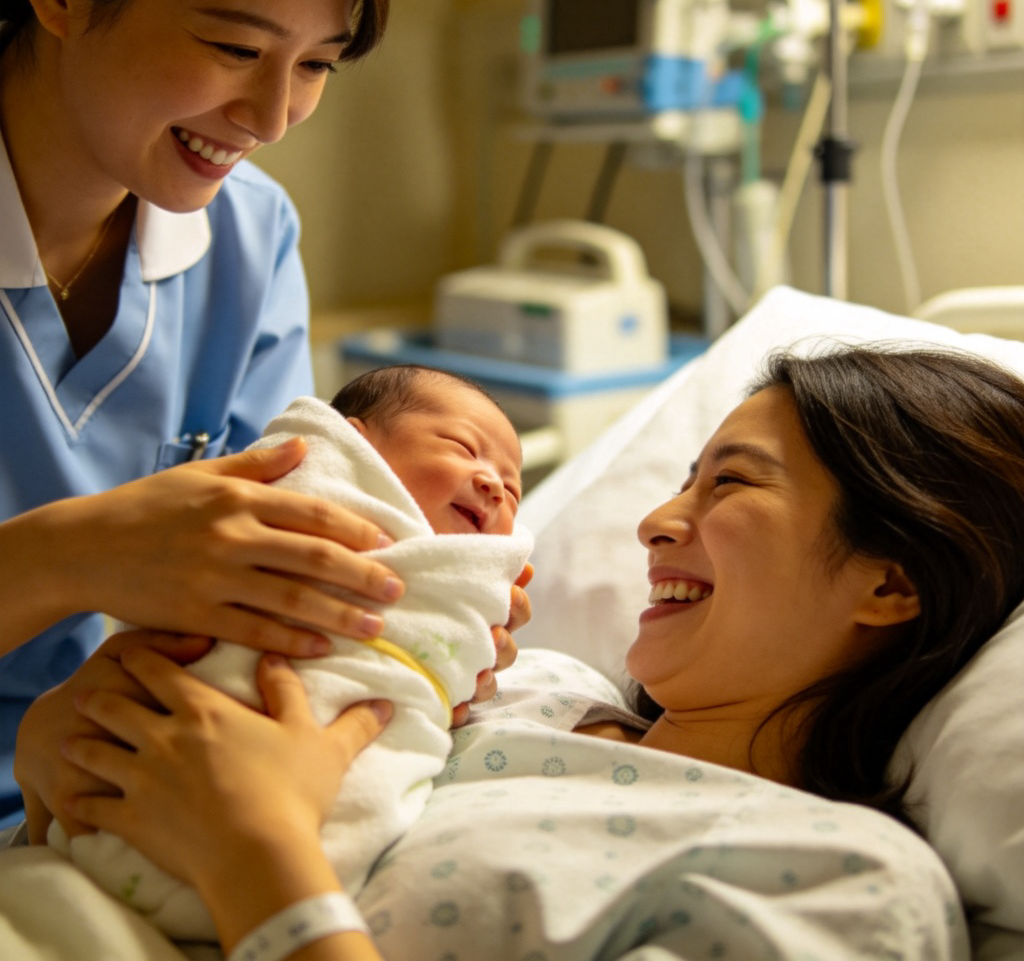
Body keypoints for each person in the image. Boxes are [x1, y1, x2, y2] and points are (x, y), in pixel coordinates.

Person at [16, 343, 1024, 960]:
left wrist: (258, 860)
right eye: (682, 478)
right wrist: (66, 747)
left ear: (889, 582)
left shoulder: (839, 886)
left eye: (731, 485)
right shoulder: (512, 684)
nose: (657, 523)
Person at [0, 0, 528, 830]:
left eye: (317, 63)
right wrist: (76, 556)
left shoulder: (251, 238)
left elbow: (285, 555)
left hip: (125, 781)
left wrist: (406, 606)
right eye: (236, 49)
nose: (274, 115)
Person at [48, 363, 533, 939]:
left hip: (284, 871)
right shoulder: (307, 486)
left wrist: (450, 650)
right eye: (462, 447)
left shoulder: (505, 639)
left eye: (514, 491)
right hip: (114, 761)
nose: (496, 486)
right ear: (356, 442)